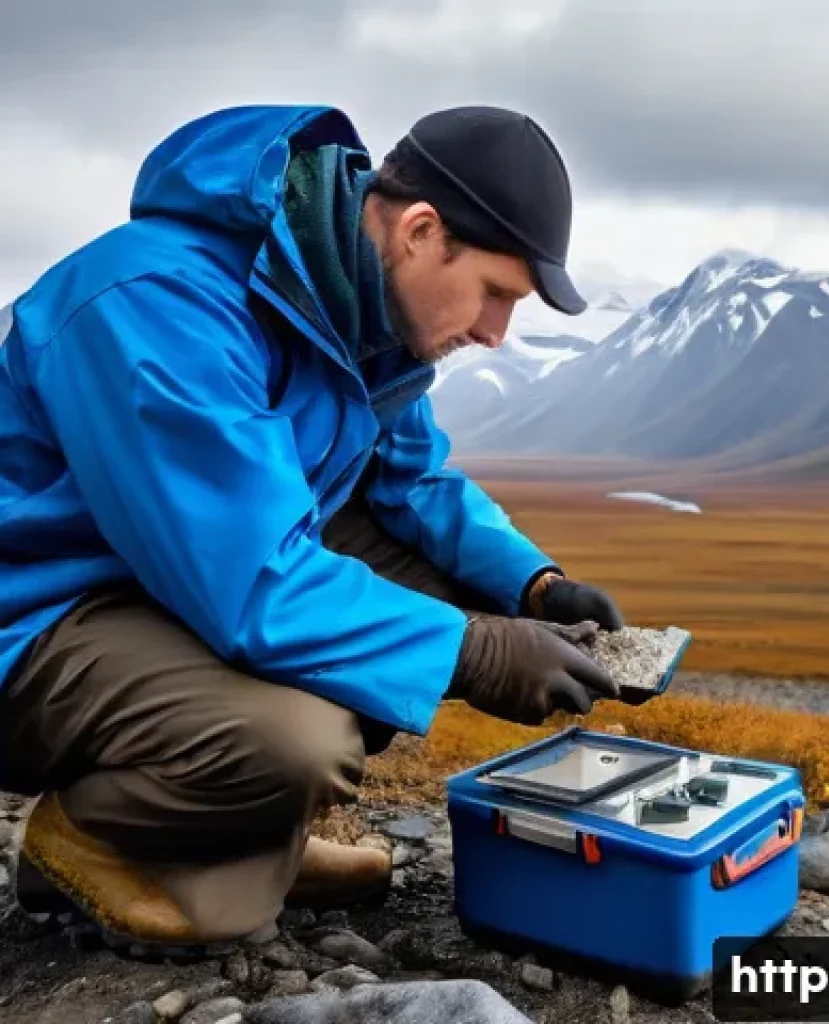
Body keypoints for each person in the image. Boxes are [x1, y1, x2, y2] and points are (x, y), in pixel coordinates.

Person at [0, 103, 626, 951]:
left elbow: (414, 483)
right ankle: (96, 833)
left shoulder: (362, 310)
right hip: (38, 619)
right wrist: (478, 651)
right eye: (496, 293)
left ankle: (243, 830)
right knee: (301, 742)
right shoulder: (159, 306)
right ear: (420, 230)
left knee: (453, 587)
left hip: (161, 589)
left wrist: (533, 586)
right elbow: (254, 582)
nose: (493, 332)